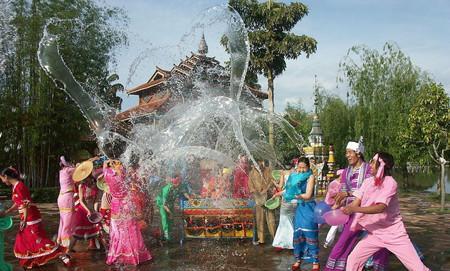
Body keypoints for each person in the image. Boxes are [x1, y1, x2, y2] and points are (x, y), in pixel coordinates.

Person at [343, 152, 430, 271]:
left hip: (394, 234)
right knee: (353, 259)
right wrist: (344, 209)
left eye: (373, 162)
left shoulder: (390, 183)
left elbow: (380, 207)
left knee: (417, 268)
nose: (370, 165)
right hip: (375, 233)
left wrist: (354, 209)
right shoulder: (368, 182)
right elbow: (355, 202)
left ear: (381, 166)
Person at [325, 139, 389, 271]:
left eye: (349, 152)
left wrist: (347, 194)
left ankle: (375, 266)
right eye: (346, 153)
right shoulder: (346, 171)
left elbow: (370, 191)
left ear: (358, 153)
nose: (347, 155)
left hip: (367, 211)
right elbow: (342, 191)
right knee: (343, 242)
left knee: (379, 242)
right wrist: (337, 203)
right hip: (351, 212)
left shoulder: (368, 170)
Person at [0, 167, 71, 268]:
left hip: (30, 217)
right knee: (25, 240)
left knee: (39, 240)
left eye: (2, 179)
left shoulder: (20, 186)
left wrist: (24, 220)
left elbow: (25, 204)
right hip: (27, 216)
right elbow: (18, 203)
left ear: (6, 176)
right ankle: (32, 261)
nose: (2, 181)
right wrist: (7, 211)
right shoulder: (15, 186)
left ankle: (62, 254)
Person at [104, 159, 152, 266]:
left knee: (117, 233)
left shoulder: (107, 173)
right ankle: (133, 256)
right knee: (130, 231)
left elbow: (105, 166)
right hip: (126, 204)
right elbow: (131, 181)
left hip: (115, 205)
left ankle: (117, 255)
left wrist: (109, 162)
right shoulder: (123, 172)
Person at [289, 157, 320, 271]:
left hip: (309, 208)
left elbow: (307, 195)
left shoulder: (310, 177)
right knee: (298, 235)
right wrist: (279, 194)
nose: (301, 170)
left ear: (308, 167)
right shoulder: (297, 176)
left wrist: (295, 195)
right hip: (299, 209)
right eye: (299, 167)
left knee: (310, 234)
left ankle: (315, 261)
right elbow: (288, 189)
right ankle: (298, 259)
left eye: (304, 167)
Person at [72, 162, 101, 250]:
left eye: (88, 177)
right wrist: (88, 210)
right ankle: (68, 251)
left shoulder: (95, 185)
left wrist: (95, 210)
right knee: (77, 233)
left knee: (97, 230)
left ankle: (100, 247)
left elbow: (96, 200)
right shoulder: (81, 186)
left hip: (91, 209)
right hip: (83, 209)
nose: (87, 179)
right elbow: (81, 200)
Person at [248, 160, 276, 245]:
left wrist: (266, 189)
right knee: (259, 219)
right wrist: (256, 192)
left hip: (269, 198)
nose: (258, 165)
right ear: (253, 164)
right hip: (258, 199)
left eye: (260, 162)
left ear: (262, 162)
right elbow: (250, 186)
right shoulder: (251, 173)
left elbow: (272, 181)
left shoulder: (268, 170)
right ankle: (261, 239)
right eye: (256, 163)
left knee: (271, 219)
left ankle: (275, 237)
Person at [272, 163, 296, 251]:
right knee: (292, 221)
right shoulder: (296, 172)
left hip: (286, 200)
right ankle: (291, 242)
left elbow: (280, 187)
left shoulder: (283, 173)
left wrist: (274, 183)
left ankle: (283, 243)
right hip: (295, 200)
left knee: (283, 222)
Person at [56, 156, 76, 249]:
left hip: (61, 197)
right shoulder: (69, 170)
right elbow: (79, 170)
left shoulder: (61, 171)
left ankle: (59, 241)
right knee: (67, 222)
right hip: (67, 197)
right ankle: (65, 247)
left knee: (62, 221)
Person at [156, 174, 182, 241]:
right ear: (173, 181)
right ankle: (166, 236)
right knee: (165, 218)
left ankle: (169, 234)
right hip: (162, 204)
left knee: (171, 219)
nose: (179, 182)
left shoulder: (176, 188)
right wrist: (169, 212)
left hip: (170, 204)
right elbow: (164, 205)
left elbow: (179, 195)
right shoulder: (166, 190)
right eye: (178, 181)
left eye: (179, 181)